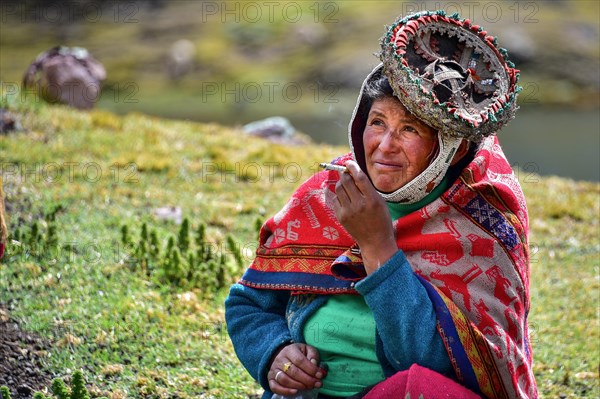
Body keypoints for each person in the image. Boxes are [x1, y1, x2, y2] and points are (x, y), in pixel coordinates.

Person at [226, 10, 537, 399]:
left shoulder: (480, 223)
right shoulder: (329, 195)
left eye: (409, 129)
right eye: (377, 123)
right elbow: (247, 303)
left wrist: (377, 248)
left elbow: (442, 366)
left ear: (448, 149)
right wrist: (273, 354)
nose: (384, 146)